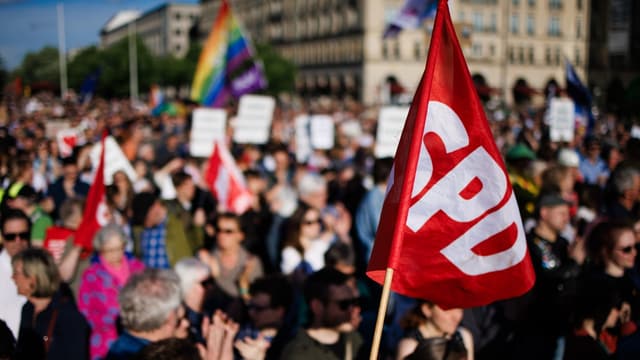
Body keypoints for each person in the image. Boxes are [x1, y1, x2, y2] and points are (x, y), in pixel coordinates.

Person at [513, 192, 585, 359]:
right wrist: (574, 263)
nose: (566, 219)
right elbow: (544, 280)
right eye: (561, 213)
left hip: (561, 325)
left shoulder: (563, 244)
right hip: (535, 326)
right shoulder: (528, 244)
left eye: (568, 214)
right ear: (544, 213)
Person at [78, 224, 145, 360]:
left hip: (139, 333)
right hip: (106, 338)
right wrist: (105, 324)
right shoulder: (92, 274)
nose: (116, 254)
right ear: (100, 249)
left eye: (119, 248)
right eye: (110, 250)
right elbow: (84, 308)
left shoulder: (137, 267)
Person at [12, 248, 90, 360]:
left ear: (33, 279)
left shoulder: (68, 316)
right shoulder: (27, 309)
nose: (13, 278)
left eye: (16, 273)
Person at [280, 268, 365, 359]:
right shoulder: (297, 354)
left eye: (354, 302)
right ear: (317, 307)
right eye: (343, 304)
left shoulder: (355, 340)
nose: (354, 310)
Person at [106, 268, 188, 359]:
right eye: (179, 321)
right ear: (167, 320)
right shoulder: (150, 355)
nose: (186, 324)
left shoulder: (121, 348)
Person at [131, 192, 201, 268]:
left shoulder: (179, 220)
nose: (146, 224)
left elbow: (197, 241)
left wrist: (198, 227)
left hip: (173, 275)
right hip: (148, 276)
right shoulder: (139, 229)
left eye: (146, 219)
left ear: (155, 208)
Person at [236, 275, 294, 360]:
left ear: (279, 311)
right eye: (250, 306)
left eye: (259, 309)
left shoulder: (292, 345)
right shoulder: (244, 332)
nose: (251, 312)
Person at [396, 301, 473, 360]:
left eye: (460, 308)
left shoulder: (463, 336)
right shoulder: (410, 346)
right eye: (448, 310)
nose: (457, 316)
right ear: (427, 309)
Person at [0, 209, 31, 339]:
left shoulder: (44, 267)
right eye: (11, 237)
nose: (18, 241)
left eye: (23, 235)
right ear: (2, 237)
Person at [280, 202, 334, 275]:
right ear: (298, 224)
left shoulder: (319, 243)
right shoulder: (290, 252)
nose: (316, 226)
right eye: (309, 222)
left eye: (318, 220)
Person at [175, 257, 211, 344]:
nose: (210, 287)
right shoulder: (180, 320)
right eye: (204, 283)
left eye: (211, 281)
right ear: (187, 285)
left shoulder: (210, 311)